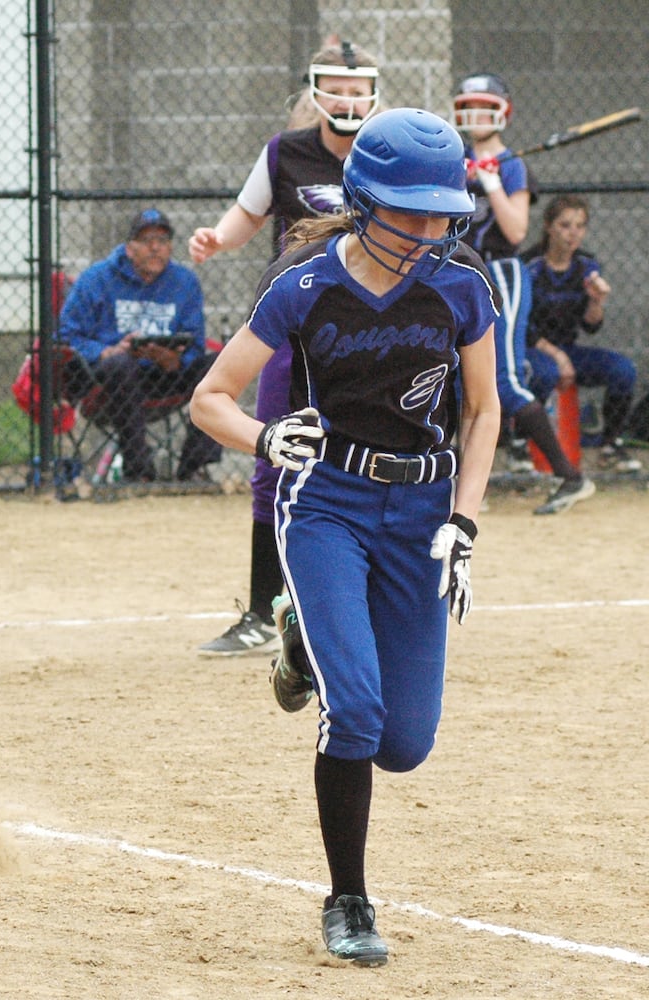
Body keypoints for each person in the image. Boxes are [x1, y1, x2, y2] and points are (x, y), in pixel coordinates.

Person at [191, 108, 500, 966]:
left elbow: (482, 411)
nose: (433, 229)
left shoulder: (462, 280)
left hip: (424, 509)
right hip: (326, 498)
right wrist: (264, 439)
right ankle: (349, 901)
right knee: (355, 711)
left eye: (444, 212)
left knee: (404, 745)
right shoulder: (305, 281)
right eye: (413, 212)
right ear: (364, 202)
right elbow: (210, 397)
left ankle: (301, 643)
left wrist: (465, 519)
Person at [188, 40, 381, 656]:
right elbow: (247, 216)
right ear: (316, 92)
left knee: (376, 453)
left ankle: (370, 604)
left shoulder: (386, 151)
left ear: (373, 94)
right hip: (294, 325)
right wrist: (217, 239)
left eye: (358, 89)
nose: (348, 99)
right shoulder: (285, 151)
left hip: (369, 328)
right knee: (273, 455)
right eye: (337, 88)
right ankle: (264, 616)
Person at [455, 72, 595, 515]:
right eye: (469, 106)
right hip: (460, 271)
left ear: (501, 112)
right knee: (456, 379)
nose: (476, 116)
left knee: (505, 380)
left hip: (500, 273)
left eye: (485, 106)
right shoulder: (456, 156)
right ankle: (460, 484)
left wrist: (493, 183)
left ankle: (570, 477)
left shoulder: (514, 165)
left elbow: (515, 230)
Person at [56, 207, 220, 483]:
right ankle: (139, 471)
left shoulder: (185, 282)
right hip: (111, 382)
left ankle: (194, 467)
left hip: (165, 374)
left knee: (217, 365)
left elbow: (195, 340)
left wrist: (175, 359)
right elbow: (66, 336)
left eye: (162, 241)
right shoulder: (95, 279)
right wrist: (106, 351)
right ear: (130, 248)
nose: (155, 248)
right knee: (121, 364)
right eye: (146, 241)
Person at [521, 194, 640, 471]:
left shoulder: (587, 265)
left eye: (579, 226)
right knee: (544, 373)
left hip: (568, 348)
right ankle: (520, 447)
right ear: (549, 227)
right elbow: (520, 324)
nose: (572, 233)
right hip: (534, 348)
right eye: (564, 225)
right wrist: (556, 355)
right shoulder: (529, 265)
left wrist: (596, 301)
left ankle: (611, 446)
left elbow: (591, 326)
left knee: (623, 370)